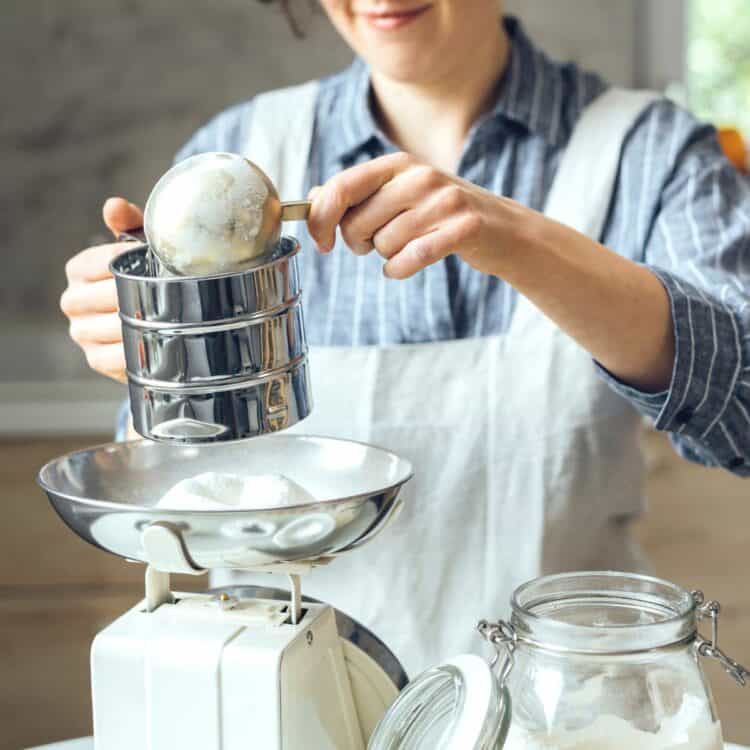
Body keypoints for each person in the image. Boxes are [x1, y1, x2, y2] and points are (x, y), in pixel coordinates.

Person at [60, 2, 750, 675]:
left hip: (561, 708)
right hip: (280, 706)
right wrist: (153, 356)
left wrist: (516, 240)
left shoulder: (651, 154)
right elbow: (178, 501)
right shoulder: (233, 169)